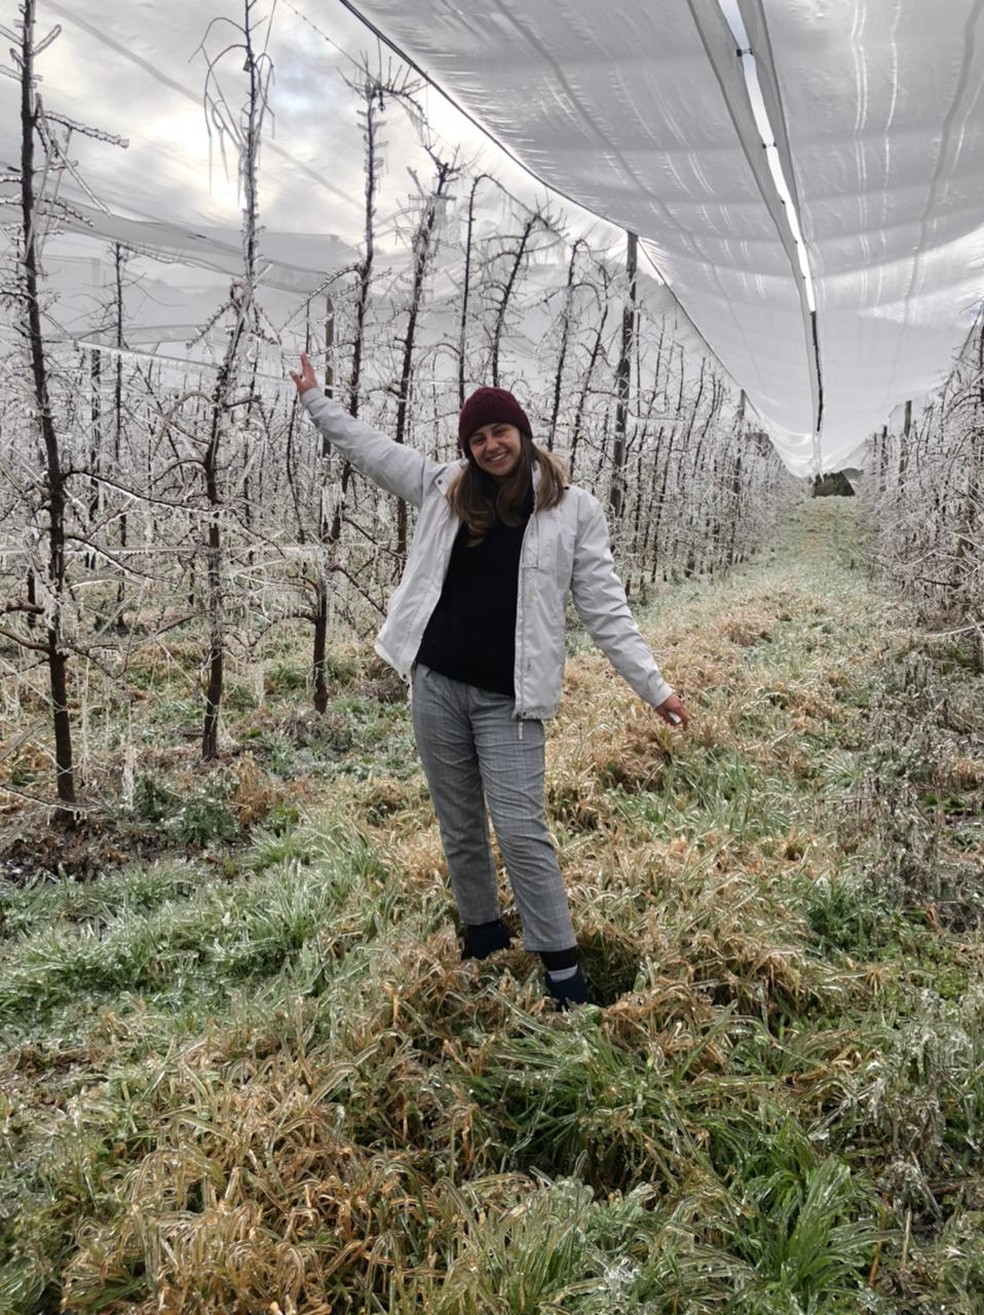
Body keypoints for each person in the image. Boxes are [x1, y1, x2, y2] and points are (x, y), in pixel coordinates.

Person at [289, 353, 688, 1008]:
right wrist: (315, 400)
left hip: (510, 699)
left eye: (499, 432)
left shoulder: (571, 510)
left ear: (521, 433)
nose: (490, 445)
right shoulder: (445, 487)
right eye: (477, 438)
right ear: (467, 448)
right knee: (460, 825)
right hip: (436, 684)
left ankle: (564, 976)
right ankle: (483, 943)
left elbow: (606, 609)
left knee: (522, 827)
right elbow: (370, 449)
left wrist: (655, 687)